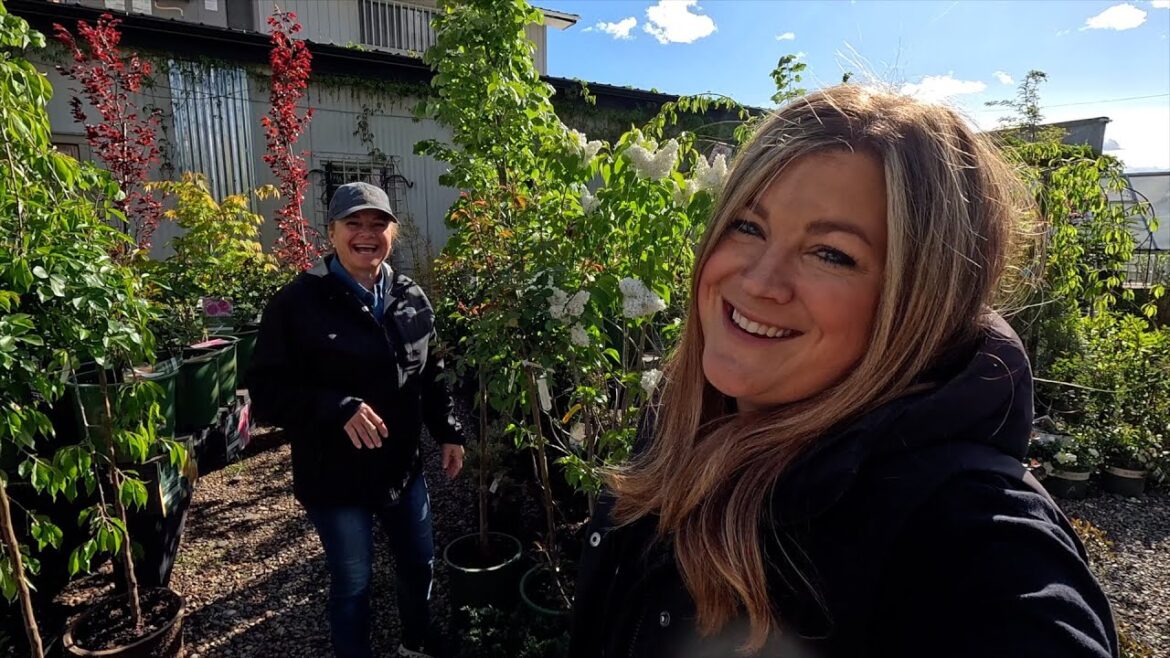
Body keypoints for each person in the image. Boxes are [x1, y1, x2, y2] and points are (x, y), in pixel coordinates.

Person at [569, 85, 1119, 658]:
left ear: (918, 303)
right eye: (748, 226)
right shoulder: (683, 418)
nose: (759, 281)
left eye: (831, 253)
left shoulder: (966, 535)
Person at [248, 182, 464, 658]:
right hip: (333, 477)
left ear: (393, 234)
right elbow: (265, 394)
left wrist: (448, 431)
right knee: (353, 581)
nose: (367, 233)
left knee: (419, 565)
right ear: (331, 232)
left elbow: (432, 371)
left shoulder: (409, 296)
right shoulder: (297, 303)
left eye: (378, 224)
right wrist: (335, 406)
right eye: (354, 223)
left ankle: (416, 642)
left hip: (401, 469)